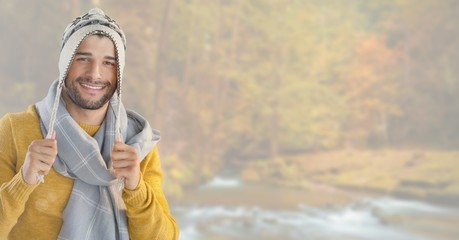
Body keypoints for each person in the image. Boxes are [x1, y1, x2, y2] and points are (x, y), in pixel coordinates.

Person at [0, 8, 179, 240]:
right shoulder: (15, 130)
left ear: (119, 74)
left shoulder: (137, 144)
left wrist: (135, 188)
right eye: (83, 59)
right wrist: (23, 181)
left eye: (108, 63)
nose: (95, 74)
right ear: (65, 63)